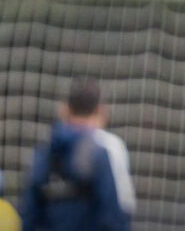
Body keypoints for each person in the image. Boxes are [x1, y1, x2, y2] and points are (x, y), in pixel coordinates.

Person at [20, 77, 135, 231]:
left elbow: (29, 212)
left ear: (65, 110)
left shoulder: (44, 150)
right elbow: (118, 212)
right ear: (101, 111)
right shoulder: (108, 147)